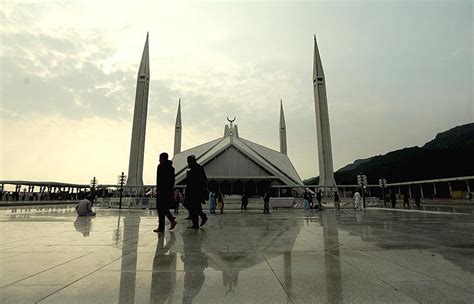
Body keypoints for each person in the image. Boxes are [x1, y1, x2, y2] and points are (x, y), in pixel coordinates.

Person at [154, 152, 177, 234]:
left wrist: (158, 189)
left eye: (160, 158)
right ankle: (171, 220)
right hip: (168, 191)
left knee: (160, 209)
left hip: (162, 191)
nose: (159, 159)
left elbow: (159, 179)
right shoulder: (172, 168)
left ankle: (163, 226)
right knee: (164, 207)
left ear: (163, 158)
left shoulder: (160, 166)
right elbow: (172, 180)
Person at [184, 154, 208, 229]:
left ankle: (196, 223)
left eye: (188, 160)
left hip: (195, 191)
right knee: (192, 206)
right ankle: (202, 216)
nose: (187, 162)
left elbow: (203, 179)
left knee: (193, 206)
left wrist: (198, 187)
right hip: (191, 190)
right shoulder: (190, 167)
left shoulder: (198, 167)